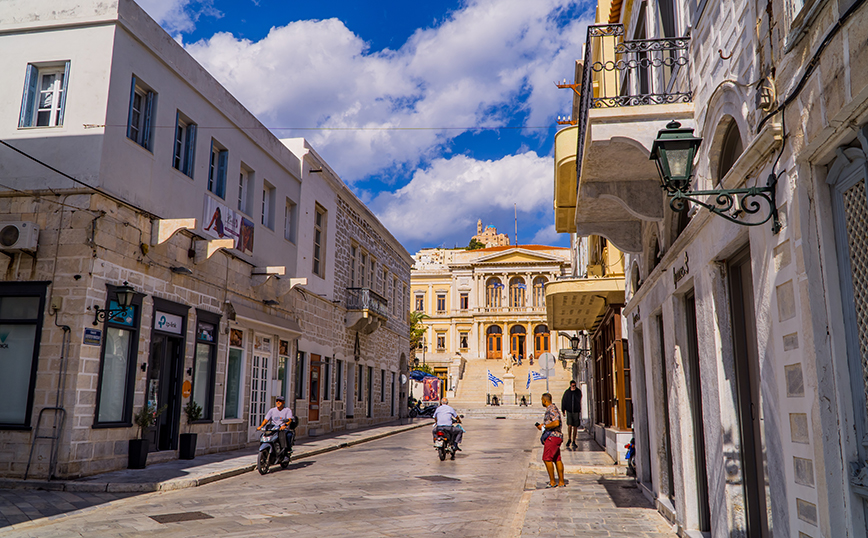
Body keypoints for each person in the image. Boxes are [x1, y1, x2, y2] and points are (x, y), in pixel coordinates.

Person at [536, 392, 565, 488]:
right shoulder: (552, 409)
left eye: (542, 400)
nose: (542, 401)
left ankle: (552, 481)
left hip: (553, 436)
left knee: (546, 458)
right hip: (556, 436)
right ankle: (561, 481)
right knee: (557, 459)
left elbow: (556, 423)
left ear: (544, 400)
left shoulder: (552, 409)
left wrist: (544, 426)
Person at [256, 396, 294, 462]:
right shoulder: (272, 410)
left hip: (282, 429)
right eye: (277, 401)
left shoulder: (287, 410)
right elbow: (266, 420)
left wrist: (285, 425)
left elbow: (289, 420)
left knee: (287, 435)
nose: (278, 402)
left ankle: (286, 453)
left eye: (280, 401)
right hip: (273, 429)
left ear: (283, 402)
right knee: (264, 435)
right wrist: (261, 426)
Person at [561, 380, 583, 451]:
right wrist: (563, 409)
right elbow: (564, 400)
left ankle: (574, 440)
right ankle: (569, 439)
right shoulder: (567, 392)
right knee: (569, 425)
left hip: (576, 411)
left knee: (575, 426)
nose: (574, 387)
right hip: (569, 411)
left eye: (574, 386)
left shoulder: (578, 392)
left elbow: (579, 399)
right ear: (570, 385)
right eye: (572, 386)